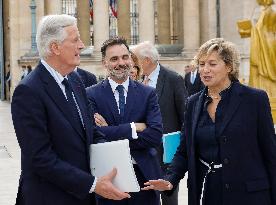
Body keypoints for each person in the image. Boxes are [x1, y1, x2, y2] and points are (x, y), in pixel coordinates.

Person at [11, 14, 130, 205]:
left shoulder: (75, 81)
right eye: (75, 40)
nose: (82, 45)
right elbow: (41, 158)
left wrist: (121, 165)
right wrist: (93, 185)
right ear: (55, 47)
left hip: (82, 196)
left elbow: (91, 132)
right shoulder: (28, 91)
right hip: (48, 198)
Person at [142, 38, 276, 205]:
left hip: (251, 194)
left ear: (229, 67)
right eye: (201, 64)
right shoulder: (193, 103)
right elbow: (184, 150)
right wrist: (170, 180)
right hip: (210, 192)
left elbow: (270, 153)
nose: (205, 70)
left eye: (212, 64)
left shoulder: (255, 99)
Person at [86, 36, 163, 205]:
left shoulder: (147, 93)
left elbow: (155, 135)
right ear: (104, 63)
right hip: (108, 179)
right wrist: (133, 128)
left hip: (144, 179)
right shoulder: (91, 95)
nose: (121, 62)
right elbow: (93, 134)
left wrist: (110, 131)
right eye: (114, 59)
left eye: (125, 57)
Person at [132, 41, 187, 205]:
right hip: (143, 151)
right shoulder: (138, 81)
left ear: (146, 60)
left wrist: (182, 149)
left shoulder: (173, 79)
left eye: (134, 59)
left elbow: (184, 116)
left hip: (167, 151)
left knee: (169, 197)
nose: (131, 63)